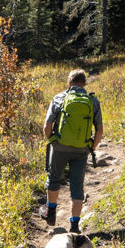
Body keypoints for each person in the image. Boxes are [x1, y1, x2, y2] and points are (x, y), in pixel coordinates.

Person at [40, 68, 103, 233]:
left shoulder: (59, 98)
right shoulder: (92, 101)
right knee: (77, 186)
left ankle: (51, 211)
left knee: (54, 178)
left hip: (59, 146)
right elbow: (100, 130)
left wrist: (53, 140)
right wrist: (91, 147)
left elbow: (47, 126)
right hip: (81, 149)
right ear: (84, 83)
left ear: (69, 82)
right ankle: (75, 225)